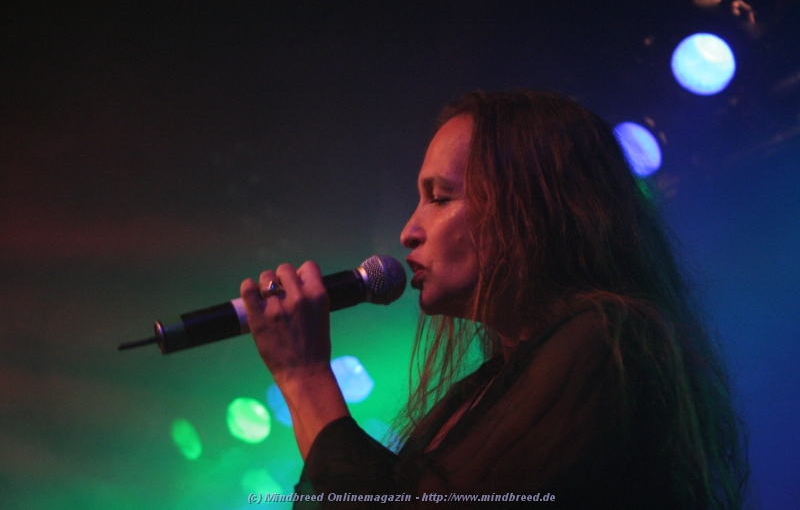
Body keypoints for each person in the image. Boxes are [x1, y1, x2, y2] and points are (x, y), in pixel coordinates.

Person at [240, 90, 748, 508]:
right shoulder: (496, 381)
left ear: (531, 210)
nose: (408, 231)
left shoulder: (605, 342)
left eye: (439, 197)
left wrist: (305, 376)